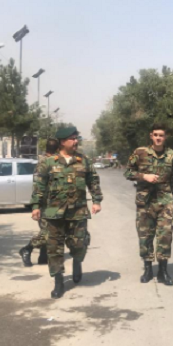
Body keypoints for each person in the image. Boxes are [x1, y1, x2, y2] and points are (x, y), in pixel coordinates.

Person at [29, 127, 102, 298]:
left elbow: (93, 181)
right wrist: (36, 206)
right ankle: (59, 281)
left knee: (78, 243)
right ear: (62, 142)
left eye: (76, 138)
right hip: (53, 212)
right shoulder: (48, 162)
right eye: (72, 139)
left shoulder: (84, 161)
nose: (76, 141)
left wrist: (97, 200)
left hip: (78, 211)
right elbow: (39, 186)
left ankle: (77, 261)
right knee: (54, 248)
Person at [124, 123, 173, 286]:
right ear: (151, 136)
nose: (158, 138)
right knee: (145, 236)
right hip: (145, 202)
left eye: (161, 135)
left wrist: (172, 198)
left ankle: (163, 270)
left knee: (165, 235)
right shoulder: (140, 152)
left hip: (165, 201)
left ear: (165, 137)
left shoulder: (171, 154)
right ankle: (148, 269)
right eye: (155, 135)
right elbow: (128, 172)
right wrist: (143, 176)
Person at [19, 138, 59, 267]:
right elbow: (37, 185)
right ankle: (27, 249)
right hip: (45, 204)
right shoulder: (44, 163)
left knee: (48, 230)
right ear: (56, 150)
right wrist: (36, 206)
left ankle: (43, 257)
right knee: (47, 232)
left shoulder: (51, 161)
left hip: (52, 203)